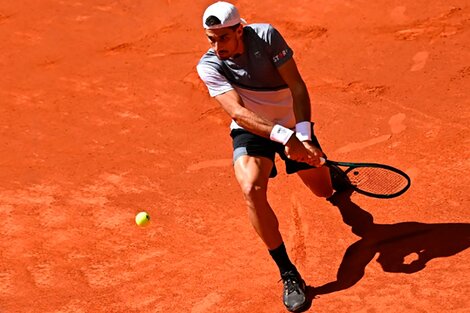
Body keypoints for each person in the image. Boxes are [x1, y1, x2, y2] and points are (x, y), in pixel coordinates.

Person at [196, 2, 348, 311]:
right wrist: (285, 139)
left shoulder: (266, 37)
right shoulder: (209, 65)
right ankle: (289, 272)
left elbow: (297, 86)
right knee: (251, 187)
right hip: (252, 130)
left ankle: (328, 171)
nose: (216, 46)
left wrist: (302, 138)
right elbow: (238, 111)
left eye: (222, 38)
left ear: (240, 29)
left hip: (293, 124)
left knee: (324, 191)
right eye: (210, 39)